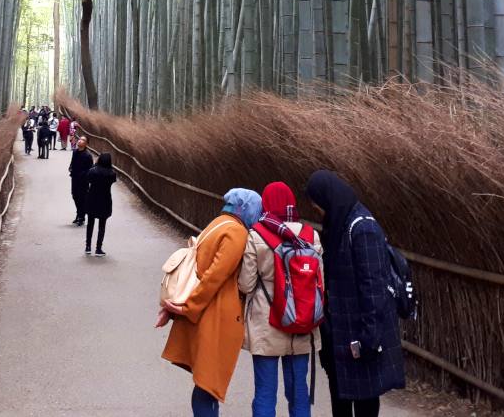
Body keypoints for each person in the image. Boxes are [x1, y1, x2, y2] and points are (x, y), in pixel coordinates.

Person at [306, 171, 405, 417]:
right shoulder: (339, 226)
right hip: (339, 333)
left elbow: (374, 288)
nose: (318, 212)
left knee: (365, 403)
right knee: (341, 401)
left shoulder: (363, 228)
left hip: (359, 335)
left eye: (318, 206)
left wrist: (369, 338)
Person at [158, 188, 263, 417]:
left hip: (207, 311)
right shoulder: (236, 232)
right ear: (245, 208)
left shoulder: (218, 223)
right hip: (216, 314)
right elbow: (215, 276)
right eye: (257, 209)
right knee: (209, 383)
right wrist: (190, 307)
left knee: (205, 382)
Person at [239, 182, 323, 417]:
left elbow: (245, 284)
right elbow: (320, 282)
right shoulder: (311, 236)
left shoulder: (256, 234)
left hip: (267, 323)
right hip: (302, 320)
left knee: (265, 393)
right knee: (299, 393)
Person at [83, 152, 117, 255]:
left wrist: (95, 165)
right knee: (102, 225)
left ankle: (88, 247)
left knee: (90, 223)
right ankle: (98, 248)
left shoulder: (93, 171)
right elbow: (112, 181)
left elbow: (87, 179)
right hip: (105, 199)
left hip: (92, 197)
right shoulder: (112, 173)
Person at [69, 137, 93, 225]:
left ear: (86, 144)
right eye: (79, 139)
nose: (80, 140)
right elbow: (72, 162)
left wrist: (84, 175)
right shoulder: (75, 152)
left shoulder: (88, 155)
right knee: (74, 196)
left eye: (83, 140)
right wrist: (70, 167)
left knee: (82, 198)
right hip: (74, 177)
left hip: (83, 180)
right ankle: (79, 213)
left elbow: (90, 169)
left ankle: (81, 216)